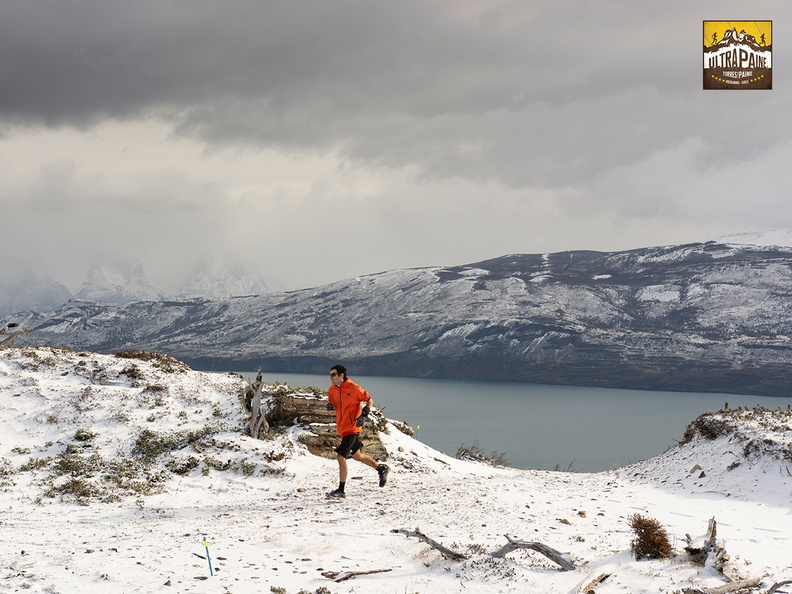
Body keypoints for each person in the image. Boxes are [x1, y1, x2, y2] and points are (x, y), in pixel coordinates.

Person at [325, 364, 389, 499]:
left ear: (341, 375)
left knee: (341, 457)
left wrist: (364, 413)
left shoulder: (354, 388)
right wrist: (331, 407)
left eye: (333, 374)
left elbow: (369, 400)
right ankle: (381, 469)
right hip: (342, 428)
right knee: (357, 456)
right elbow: (334, 405)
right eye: (330, 374)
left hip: (352, 428)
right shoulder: (332, 390)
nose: (330, 377)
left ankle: (341, 491)